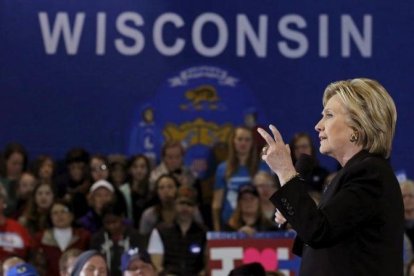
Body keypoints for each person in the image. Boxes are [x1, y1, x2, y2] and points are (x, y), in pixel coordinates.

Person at [258, 78, 403, 275]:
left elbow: (319, 233)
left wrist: (285, 171)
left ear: (357, 128)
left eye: (329, 115)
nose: (318, 125)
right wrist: (297, 215)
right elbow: (325, 237)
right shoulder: (354, 173)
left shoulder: (369, 174)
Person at [212, 126, 269, 231]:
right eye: (239, 139)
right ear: (233, 141)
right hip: (229, 224)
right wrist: (217, 230)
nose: (243, 143)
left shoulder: (263, 167)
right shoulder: (222, 168)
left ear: (252, 143)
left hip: (258, 224)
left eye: (247, 140)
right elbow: (217, 204)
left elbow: (269, 197)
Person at [147, 186, 206, 275]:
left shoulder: (204, 233)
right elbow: (156, 265)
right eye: (181, 203)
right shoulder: (160, 231)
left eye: (189, 204)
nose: (185, 208)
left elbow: (207, 265)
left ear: (195, 208)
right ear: (174, 204)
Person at [32, 200, 90, 276]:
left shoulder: (84, 236)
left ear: (71, 215)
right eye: (55, 213)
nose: (59, 216)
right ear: (50, 217)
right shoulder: (40, 238)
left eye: (63, 212)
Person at [90, 203, 146, 276]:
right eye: (107, 223)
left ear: (122, 217)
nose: (112, 227)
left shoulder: (135, 236)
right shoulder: (97, 239)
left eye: (114, 222)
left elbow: (143, 259)